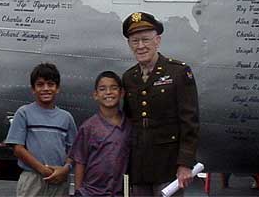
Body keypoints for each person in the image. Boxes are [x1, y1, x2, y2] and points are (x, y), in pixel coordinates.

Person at [121, 12, 199, 197]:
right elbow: (128, 122)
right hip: (139, 168)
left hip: (168, 165)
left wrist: (185, 163)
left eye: (145, 40)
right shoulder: (129, 78)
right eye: (135, 41)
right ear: (129, 44)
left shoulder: (178, 73)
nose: (140, 46)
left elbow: (190, 121)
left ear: (158, 40)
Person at [5, 63, 77, 197]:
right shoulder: (24, 113)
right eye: (40, 84)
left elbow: (74, 151)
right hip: (32, 178)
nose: (46, 88)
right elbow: (18, 149)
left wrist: (65, 170)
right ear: (33, 89)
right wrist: (43, 170)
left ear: (57, 88)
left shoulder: (66, 118)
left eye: (50, 84)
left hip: (59, 179)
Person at [69, 71, 131, 196]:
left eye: (114, 88)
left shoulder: (130, 126)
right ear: (95, 95)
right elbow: (80, 162)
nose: (108, 92)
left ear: (122, 93)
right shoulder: (88, 127)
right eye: (103, 89)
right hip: (91, 192)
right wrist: (78, 192)